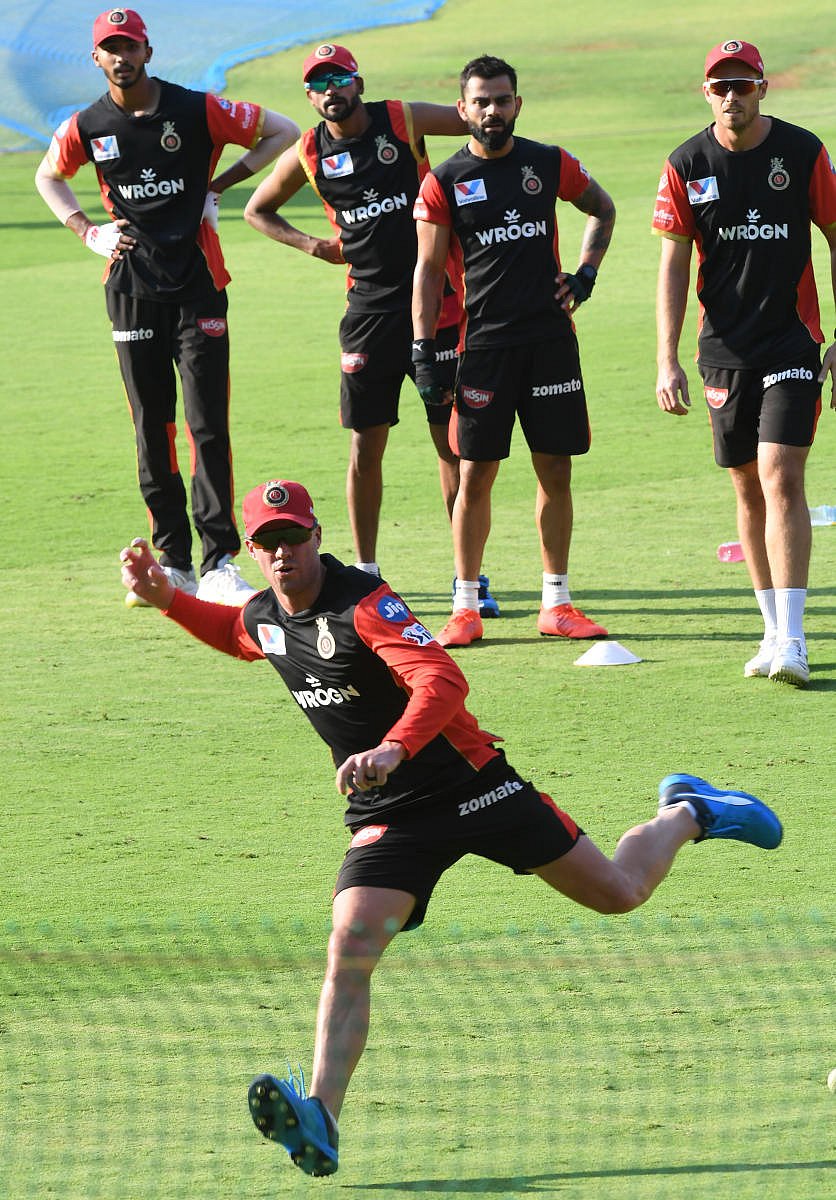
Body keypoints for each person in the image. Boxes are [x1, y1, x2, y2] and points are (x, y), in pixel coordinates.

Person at [120, 475, 783, 1178]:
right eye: (268, 542)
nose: (283, 553)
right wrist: (169, 601)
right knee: (350, 939)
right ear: (253, 550)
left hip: (472, 786)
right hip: (390, 815)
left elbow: (441, 680)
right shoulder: (265, 616)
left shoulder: (366, 607)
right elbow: (235, 632)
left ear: (317, 536)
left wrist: (393, 747)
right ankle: (321, 1115)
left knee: (619, 892)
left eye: (294, 537)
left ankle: (688, 811)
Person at [35, 8, 300, 606]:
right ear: (96, 59)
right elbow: (49, 175)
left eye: (130, 46)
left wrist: (218, 187)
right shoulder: (86, 124)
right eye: (110, 48)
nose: (121, 57)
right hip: (129, 288)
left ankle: (220, 564)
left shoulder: (195, 107)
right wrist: (85, 230)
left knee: (206, 424)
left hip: (199, 284)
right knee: (151, 426)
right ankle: (174, 562)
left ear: (148, 52)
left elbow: (283, 131)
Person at [243, 43, 499, 617]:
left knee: (451, 444)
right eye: (318, 84)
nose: (330, 90)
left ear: (358, 82)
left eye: (339, 78)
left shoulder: (400, 119)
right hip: (367, 315)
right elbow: (257, 209)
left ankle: (470, 576)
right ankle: (366, 570)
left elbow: (471, 116)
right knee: (366, 444)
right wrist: (314, 246)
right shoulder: (310, 150)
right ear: (310, 97)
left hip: (440, 307)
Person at [412, 55, 615, 648]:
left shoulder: (547, 163)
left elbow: (602, 208)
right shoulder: (443, 179)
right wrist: (425, 348)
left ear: (517, 104)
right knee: (475, 474)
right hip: (484, 347)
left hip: (551, 341)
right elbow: (427, 270)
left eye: (502, 100)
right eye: (481, 101)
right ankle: (466, 604)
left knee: (556, 466)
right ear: (463, 109)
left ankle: (557, 602)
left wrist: (585, 274)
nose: (492, 111)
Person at [654, 38, 836, 686]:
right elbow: (674, 265)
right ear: (707, 93)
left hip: (791, 341)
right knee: (746, 487)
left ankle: (794, 638)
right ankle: (769, 631)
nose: (732, 96)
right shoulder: (686, 164)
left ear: (763, 88)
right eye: (720, 86)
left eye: (743, 84)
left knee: (780, 474)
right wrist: (666, 358)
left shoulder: (803, 152)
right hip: (723, 352)